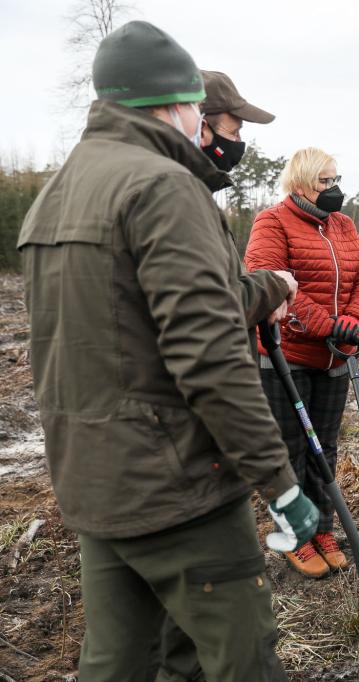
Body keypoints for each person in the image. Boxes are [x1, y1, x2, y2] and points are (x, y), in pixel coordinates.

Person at [17, 21, 320, 682]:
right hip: (178, 485)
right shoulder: (163, 187)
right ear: (178, 105)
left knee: (120, 663)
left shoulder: (55, 196)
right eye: (198, 110)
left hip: (94, 481)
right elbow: (209, 357)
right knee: (243, 659)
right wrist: (280, 484)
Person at [153, 68, 295, 682]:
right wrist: (272, 288)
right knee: (238, 629)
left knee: (163, 630)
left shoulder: (185, 192)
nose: (240, 141)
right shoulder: (173, 198)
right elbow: (206, 313)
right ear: (199, 123)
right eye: (234, 128)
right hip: (183, 442)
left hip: (163, 443)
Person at [246, 147, 359, 578]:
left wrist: (354, 320)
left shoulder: (343, 225)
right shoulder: (272, 222)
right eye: (325, 181)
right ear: (302, 183)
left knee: (325, 447)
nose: (334, 188)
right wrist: (327, 325)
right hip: (288, 356)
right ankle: (293, 535)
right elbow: (271, 283)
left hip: (334, 357)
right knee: (291, 449)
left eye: (336, 179)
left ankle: (322, 528)